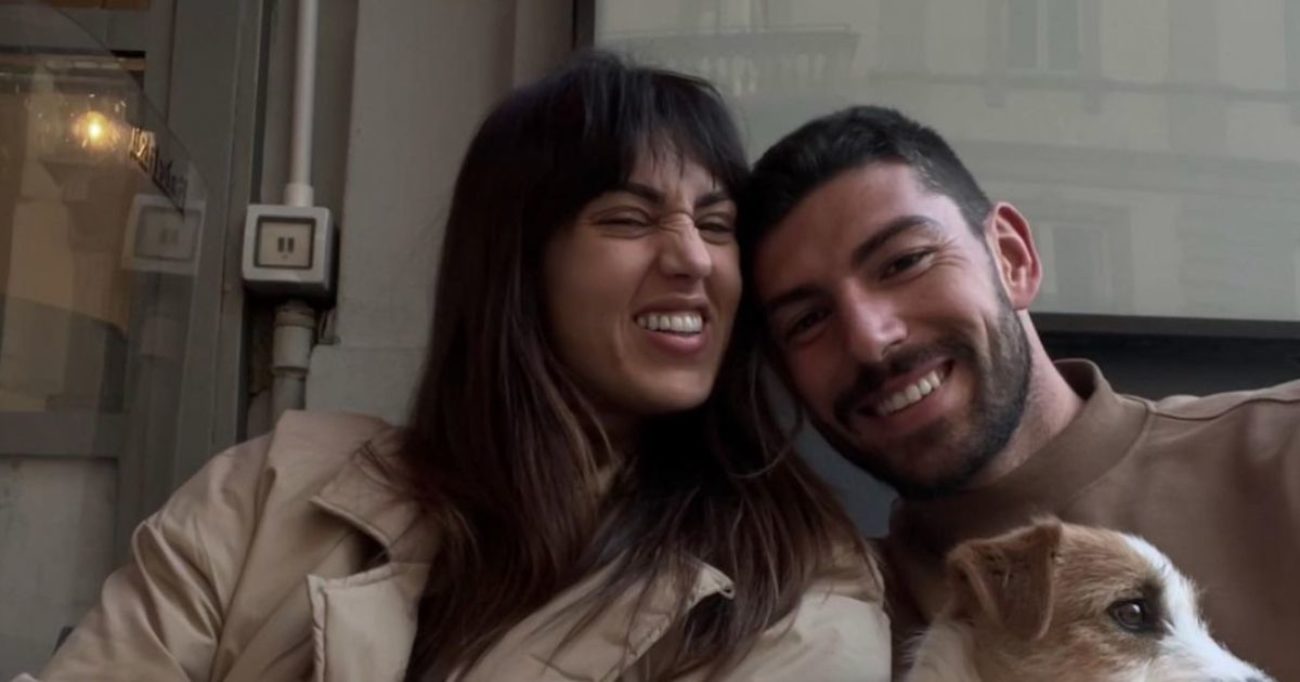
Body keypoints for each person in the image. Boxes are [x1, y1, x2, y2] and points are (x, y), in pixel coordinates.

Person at [19, 55, 891, 682]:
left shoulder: (797, 582)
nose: (692, 258)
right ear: (515, 265)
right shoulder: (269, 496)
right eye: (629, 219)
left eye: (716, 224)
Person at [736, 105, 1300, 679]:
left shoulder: (1283, 449)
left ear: (1012, 257)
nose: (869, 339)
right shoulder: (822, 618)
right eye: (808, 320)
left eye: (905, 262)